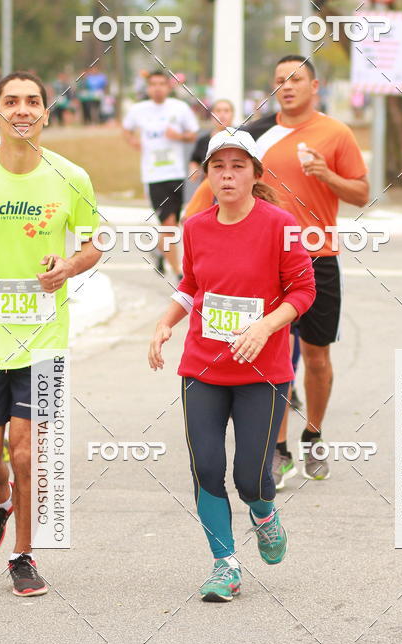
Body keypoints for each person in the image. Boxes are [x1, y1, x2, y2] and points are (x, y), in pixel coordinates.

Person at [0, 71, 102, 596]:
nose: (22, 109)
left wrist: (69, 267)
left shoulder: (71, 175)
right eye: (12, 101)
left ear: (46, 113)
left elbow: (94, 243)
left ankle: (23, 556)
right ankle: (1, 500)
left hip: (43, 340)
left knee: (27, 454)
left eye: (33, 101)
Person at [148, 129, 315, 602]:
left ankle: (264, 514)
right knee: (206, 467)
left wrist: (265, 327)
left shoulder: (280, 224)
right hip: (202, 367)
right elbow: (192, 284)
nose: (227, 175)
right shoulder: (196, 226)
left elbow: (304, 290)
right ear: (207, 174)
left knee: (251, 478)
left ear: (255, 174)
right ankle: (225, 565)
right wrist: (165, 322)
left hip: (263, 372)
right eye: (218, 167)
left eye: (238, 166)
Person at [246, 56, 369, 485]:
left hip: (318, 256)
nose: (286, 86)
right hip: (267, 258)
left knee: (316, 357)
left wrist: (326, 174)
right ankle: (278, 449)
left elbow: (362, 194)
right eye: (279, 80)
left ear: (314, 86)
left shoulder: (336, 133)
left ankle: (313, 434)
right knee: (274, 354)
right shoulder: (256, 136)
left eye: (295, 79)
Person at [122, 70, 198, 280]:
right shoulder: (138, 110)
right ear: (148, 88)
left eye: (161, 84)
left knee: (173, 224)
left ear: (168, 87)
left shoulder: (179, 108)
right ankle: (179, 273)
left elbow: (193, 134)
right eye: (153, 84)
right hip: (154, 175)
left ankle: (158, 250)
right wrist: (133, 141)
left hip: (176, 173)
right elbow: (126, 129)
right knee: (168, 223)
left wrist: (178, 136)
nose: (157, 88)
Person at [188, 99, 234, 184]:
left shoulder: (241, 138)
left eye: (226, 111)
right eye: (218, 111)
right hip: (209, 186)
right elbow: (195, 160)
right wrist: (193, 169)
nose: (222, 114)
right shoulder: (203, 141)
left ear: (233, 114)